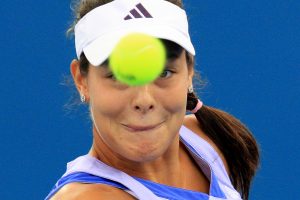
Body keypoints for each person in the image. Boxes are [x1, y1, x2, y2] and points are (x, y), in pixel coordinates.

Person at [46, 0, 260, 199]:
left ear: (189, 72)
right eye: (118, 77)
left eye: (163, 73)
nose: (144, 99)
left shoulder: (207, 140)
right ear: (81, 80)